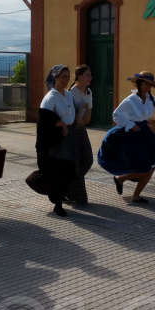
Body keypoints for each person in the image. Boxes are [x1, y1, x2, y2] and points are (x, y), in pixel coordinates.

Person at [97, 71, 155, 204]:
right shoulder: (130, 100)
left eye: (150, 84)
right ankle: (121, 178)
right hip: (130, 136)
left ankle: (130, 189)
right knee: (144, 167)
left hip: (145, 135)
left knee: (152, 165)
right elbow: (116, 115)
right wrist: (130, 125)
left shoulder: (150, 99)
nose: (149, 87)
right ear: (140, 84)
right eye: (146, 84)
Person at [36, 65, 76, 217]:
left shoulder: (68, 94)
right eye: (62, 77)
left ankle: (61, 196)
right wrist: (61, 124)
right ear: (55, 78)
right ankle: (58, 204)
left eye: (67, 76)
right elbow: (44, 119)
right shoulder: (50, 97)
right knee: (57, 171)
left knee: (67, 169)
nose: (66, 79)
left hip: (67, 137)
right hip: (54, 140)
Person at [66, 65, 94, 205]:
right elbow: (73, 119)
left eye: (90, 75)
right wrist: (82, 110)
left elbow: (87, 118)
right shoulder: (72, 93)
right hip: (71, 131)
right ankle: (76, 194)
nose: (90, 78)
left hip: (81, 129)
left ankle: (69, 185)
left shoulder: (88, 92)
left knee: (88, 159)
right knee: (76, 162)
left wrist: (85, 111)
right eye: (87, 75)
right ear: (79, 76)